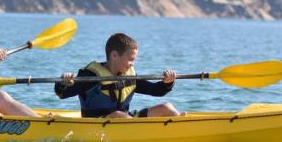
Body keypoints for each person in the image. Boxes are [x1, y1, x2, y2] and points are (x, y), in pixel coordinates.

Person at [54, 33, 185, 118]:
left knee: (166, 107)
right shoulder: (90, 76)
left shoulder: (129, 76)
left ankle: (182, 127)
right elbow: (63, 94)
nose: (132, 64)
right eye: (131, 59)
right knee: (118, 115)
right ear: (114, 55)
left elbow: (156, 90)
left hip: (126, 119)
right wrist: (63, 83)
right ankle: (144, 133)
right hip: (98, 124)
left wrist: (167, 83)